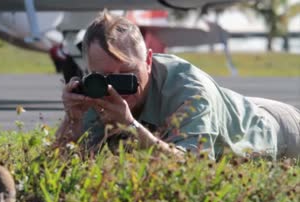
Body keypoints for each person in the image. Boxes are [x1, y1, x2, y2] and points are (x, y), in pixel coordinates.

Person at [55, 11, 300, 160]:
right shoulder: (95, 93)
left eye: (127, 75)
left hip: (277, 129)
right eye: (105, 78)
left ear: (149, 61)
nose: (116, 88)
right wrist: (72, 122)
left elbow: (193, 168)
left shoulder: (189, 91)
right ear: (89, 72)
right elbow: (66, 171)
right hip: (229, 109)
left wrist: (130, 126)